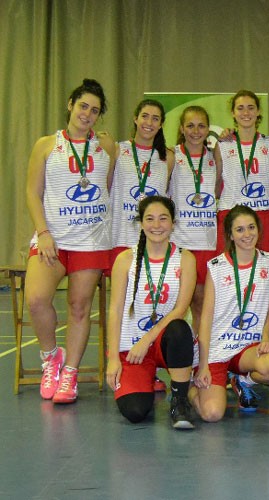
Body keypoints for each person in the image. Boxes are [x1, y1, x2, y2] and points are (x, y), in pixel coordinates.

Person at [25, 78, 117, 403]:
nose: (87, 114)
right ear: (70, 104)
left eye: (94, 110)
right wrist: (44, 232)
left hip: (91, 241)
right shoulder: (46, 145)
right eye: (83, 106)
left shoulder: (107, 147)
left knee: (80, 308)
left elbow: (107, 190)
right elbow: (32, 193)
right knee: (36, 299)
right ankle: (52, 357)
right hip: (53, 239)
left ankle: (71, 374)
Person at [106, 196, 197, 429]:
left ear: (173, 223)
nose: (156, 225)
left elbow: (180, 309)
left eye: (163, 218)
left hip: (162, 343)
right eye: (150, 219)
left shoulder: (185, 259)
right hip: (133, 349)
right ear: (141, 223)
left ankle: (179, 400)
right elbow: (115, 311)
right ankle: (147, 380)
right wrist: (113, 358)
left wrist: (147, 339)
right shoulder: (125, 260)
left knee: (179, 329)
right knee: (134, 412)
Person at [190, 205, 269, 420]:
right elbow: (205, 320)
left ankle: (243, 380)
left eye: (251, 227)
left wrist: (265, 336)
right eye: (240, 230)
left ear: (259, 229)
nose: (247, 234)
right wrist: (204, 365)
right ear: (230, 235)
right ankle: (191, 389)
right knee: (212, 414)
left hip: (248, 347)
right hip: (218, 347)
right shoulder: (216, 266)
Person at [168, 106, 218, 336]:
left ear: (208, 129)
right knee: (174, 306)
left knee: (201, 304)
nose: (196, 131)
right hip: (180, 244)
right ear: (181, 128)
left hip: (207, 243)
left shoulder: (215, 157)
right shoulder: (171, 156)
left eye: (201, 126)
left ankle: (200, 357)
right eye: (190, 125)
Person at [109, 99, 174, 269]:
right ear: (135, 119)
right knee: (121, 292)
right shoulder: (117, 150)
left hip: (153, 237)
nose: (149, 123)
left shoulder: (168, 157)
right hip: (120, 235)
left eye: (155, 118)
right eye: (145, 116)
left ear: (161, 125)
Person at [215, 90, 269, 255]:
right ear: (233, 113)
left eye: (251, 108)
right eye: (240, 108)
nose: (246, 113)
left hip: (261, 213)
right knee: (229, 271)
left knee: (264, 271)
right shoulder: (222, 145)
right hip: (231, 213)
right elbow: (215, 187)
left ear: (258, 112)